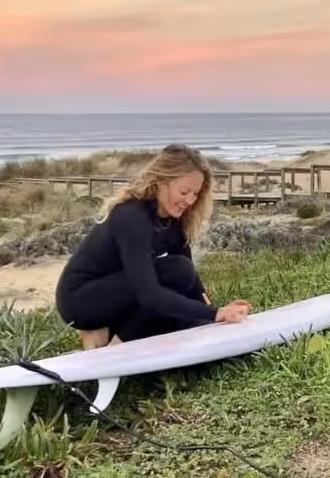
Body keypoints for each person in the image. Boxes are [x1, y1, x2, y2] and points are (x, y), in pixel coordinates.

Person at [55, 143, 251, 348]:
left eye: (195, 194)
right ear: (161, 182)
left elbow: (189, 282)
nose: (190, 201)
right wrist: (215, 314)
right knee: (177, 271)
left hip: (124, 289)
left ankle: (113, 331)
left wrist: (216, 312)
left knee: (184, 305)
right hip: (82, 300)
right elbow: (148, 292)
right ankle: (116, 345)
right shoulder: (132, 216)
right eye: (184, 192)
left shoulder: (173, 221)